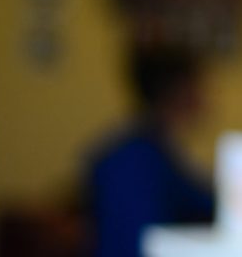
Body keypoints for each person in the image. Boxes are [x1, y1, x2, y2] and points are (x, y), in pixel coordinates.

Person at [87, 47, 215, 257]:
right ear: (178, 90)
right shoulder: (134, 160)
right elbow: (137, 242)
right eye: (199, 86)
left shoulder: (157, 151)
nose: (207, 98)